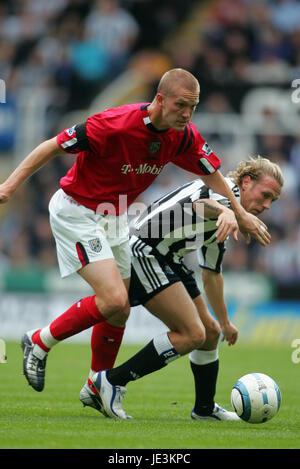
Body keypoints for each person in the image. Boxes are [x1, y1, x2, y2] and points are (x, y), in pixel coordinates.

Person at [0, 68, 269, 394]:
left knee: (121, 309)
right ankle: (39, 341)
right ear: (160, 99)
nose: (186, 113)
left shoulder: (183, 134)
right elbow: (52, 146)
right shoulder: (113, 124)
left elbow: (211, 172)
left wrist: (238, 211)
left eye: (193, 107)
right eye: (181, 104)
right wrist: (9, 186)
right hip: (77, 210)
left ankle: (97, 384)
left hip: (114, 215)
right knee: (113, 299)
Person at [80, 156, 283, 420]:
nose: (267, 205)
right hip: (146, 250)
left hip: (169, 259)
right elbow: (200, 205)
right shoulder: (224, 194)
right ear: (245, 183)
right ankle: (109, 381)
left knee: (210, 333)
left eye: (273, 201)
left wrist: (224, 322)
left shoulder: (230, 215)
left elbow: (211, 273)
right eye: (265, 195)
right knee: (191, 334)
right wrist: (228, 213)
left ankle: (204, 409)